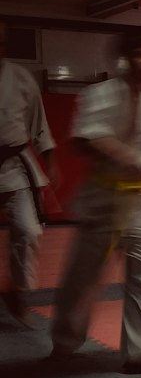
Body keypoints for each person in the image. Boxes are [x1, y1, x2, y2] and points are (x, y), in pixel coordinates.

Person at [50, 34, 141, 372]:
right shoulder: (99, 94)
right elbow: (86, 140)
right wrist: (130, 157)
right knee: (81, 279)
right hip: (103, 199)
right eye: (139, 55)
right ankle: (64, 343)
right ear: (123, 61)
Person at [0, 19, 58, 326]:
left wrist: (52, 163)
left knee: (29, 230)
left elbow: (40, 128)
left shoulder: (20, 79)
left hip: (14, 167)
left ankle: (16, 289)